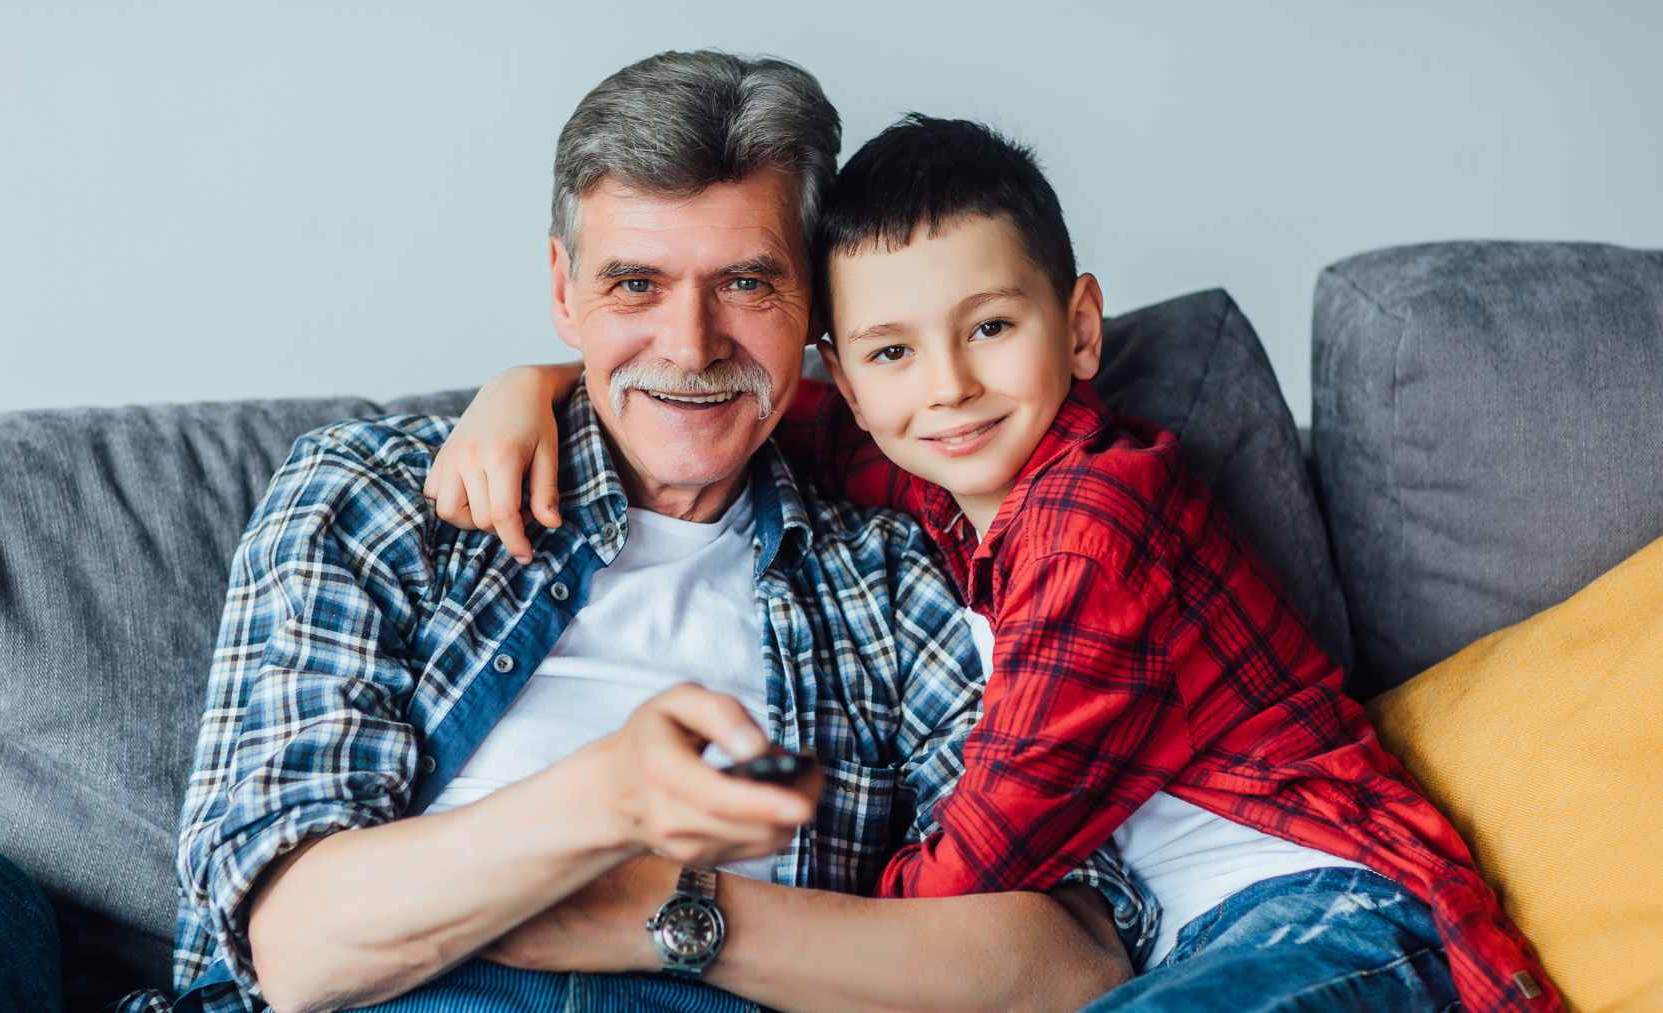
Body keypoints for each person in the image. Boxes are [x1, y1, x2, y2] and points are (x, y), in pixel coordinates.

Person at [427, 115, 1561, 1011]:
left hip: (1319, 906)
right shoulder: (920, 471)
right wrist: (530, 387)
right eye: (892, 352)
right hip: (1174, 943)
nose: (949, 386)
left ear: (1077, 327)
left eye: (990, 328)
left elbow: (986, 847)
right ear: (849, 376)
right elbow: (723, 399)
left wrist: (835, 951)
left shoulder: (1099, 519)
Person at [117, 54, 1154, 1013]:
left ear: (814, 314)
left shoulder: (883, 577)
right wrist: (605, 799)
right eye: (635, 285)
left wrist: (673, 911)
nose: (692, 345)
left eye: (747, 283)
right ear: (565, 291)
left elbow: (1077, 955)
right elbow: (293, 948)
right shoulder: (379, 497)